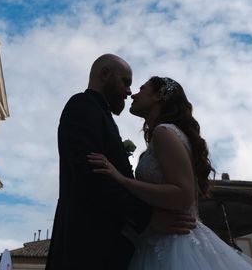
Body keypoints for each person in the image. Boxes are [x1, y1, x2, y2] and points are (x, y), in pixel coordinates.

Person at [88, 76, 252, 270]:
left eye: (142, 88)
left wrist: (123, 180)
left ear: (158, 96)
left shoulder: (164, 132)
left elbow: (182, 195)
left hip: (173, 244)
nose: (133, 94)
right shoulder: (169, 134)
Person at [46, 56, 195, 270]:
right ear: (105, 74)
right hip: (85, 248)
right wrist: (147, 218)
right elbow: (90, 174)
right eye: (126, 82)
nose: (129, 92)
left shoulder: (105, 117)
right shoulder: (83, 106)